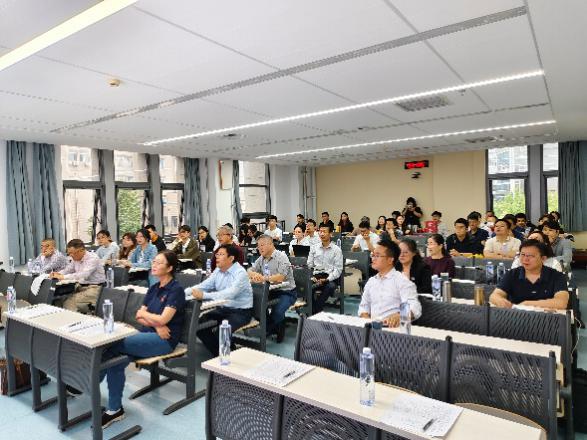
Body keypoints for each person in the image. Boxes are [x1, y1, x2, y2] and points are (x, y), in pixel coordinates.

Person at [99, 250, 185, 428]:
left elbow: (162, 318)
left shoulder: (176, 290)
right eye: (153, 261)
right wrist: (157, 324)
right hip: (149, 333)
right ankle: (114, 409)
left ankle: (91, 381)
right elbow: (139, 316)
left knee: (112, 347)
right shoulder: (154, 288)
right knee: (115, 359)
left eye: (159, 263)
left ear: (170, 268)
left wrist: (155, 320)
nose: (154, 265)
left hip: (164, 341)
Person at [186, 245, 253, 355]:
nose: (217, 257)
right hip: (222, 309)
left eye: (221, 254)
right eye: (217, 254)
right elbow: (203, 286)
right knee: (197, 324)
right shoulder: (218, 270)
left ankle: (225, 356)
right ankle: (223, 354)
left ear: (231, 258)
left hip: (241, 312)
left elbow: (229, 294)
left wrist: (204, 295)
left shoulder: (240, 273)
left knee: (222, 331)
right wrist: (184, 293)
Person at [489, 240, 569, 310]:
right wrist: (500, 300)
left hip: (547, 318)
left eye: (531, 256)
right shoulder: (512, 274)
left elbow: (561, 303)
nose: (525, 259)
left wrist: (527, 304)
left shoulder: (557, 276)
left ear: (543, 259)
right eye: (522, 255)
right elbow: (495, 295)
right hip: (516, 317)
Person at [358, 238, 421, 327]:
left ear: (390, 260)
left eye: (377, 256)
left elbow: (415, 307)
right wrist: (366, 319)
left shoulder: (401, 281)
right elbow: (364, 306)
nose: (373, 259)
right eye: (373, 255)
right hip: (373, 328)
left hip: (393, 329)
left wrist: (400, 315)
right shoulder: (371, 281)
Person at [248, 236, 297, 342]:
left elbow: (280, 277)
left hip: (286, 292)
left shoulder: (282, 257)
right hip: (270, 291)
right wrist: (255, 274)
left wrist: (263, 278)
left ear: (270, 244)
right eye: (258, 246)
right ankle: (273, 327)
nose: (259, 248)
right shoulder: (261, 258)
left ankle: (268, 329)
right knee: (255, 307)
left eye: (262, 245)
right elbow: (249, 270)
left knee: (278, 312)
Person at [50, 239, 106, 313]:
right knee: (58, 301)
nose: (70, 255)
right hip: (80, 287)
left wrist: (63, 277)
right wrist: (58, 274)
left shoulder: (92, 258)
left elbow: (84, 274)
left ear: (81, 250)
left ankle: (74, 319)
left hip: (95, 288)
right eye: (69, 253)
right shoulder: (75, 258)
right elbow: (68, 269)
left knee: (69, 303)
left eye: (72, 253)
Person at [307, 225, 343, 314]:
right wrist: (311, 276)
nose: (322, 234)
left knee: (330, 287)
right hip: (316, 276)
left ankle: (316, 309)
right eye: (320, 231)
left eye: (324, 232)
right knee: (306, 285)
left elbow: (338, 270)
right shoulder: (314, 248)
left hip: (330, 278)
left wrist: (327, 279)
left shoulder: (336, 250)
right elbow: (309, 265)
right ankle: (315, 310)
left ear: (330, 234)